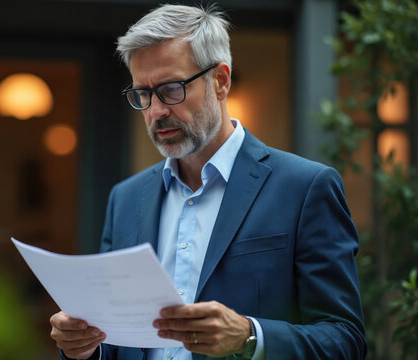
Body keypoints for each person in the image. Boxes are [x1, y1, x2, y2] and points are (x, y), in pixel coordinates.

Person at [49, 4, 366, 360]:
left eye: (170, 89)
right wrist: (85, 348)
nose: (155, 111)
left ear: (221, 81)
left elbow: (345, 340)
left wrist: (250, 337)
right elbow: (116, 341)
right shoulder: (125, 199)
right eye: (143, 94)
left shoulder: (305, 187)